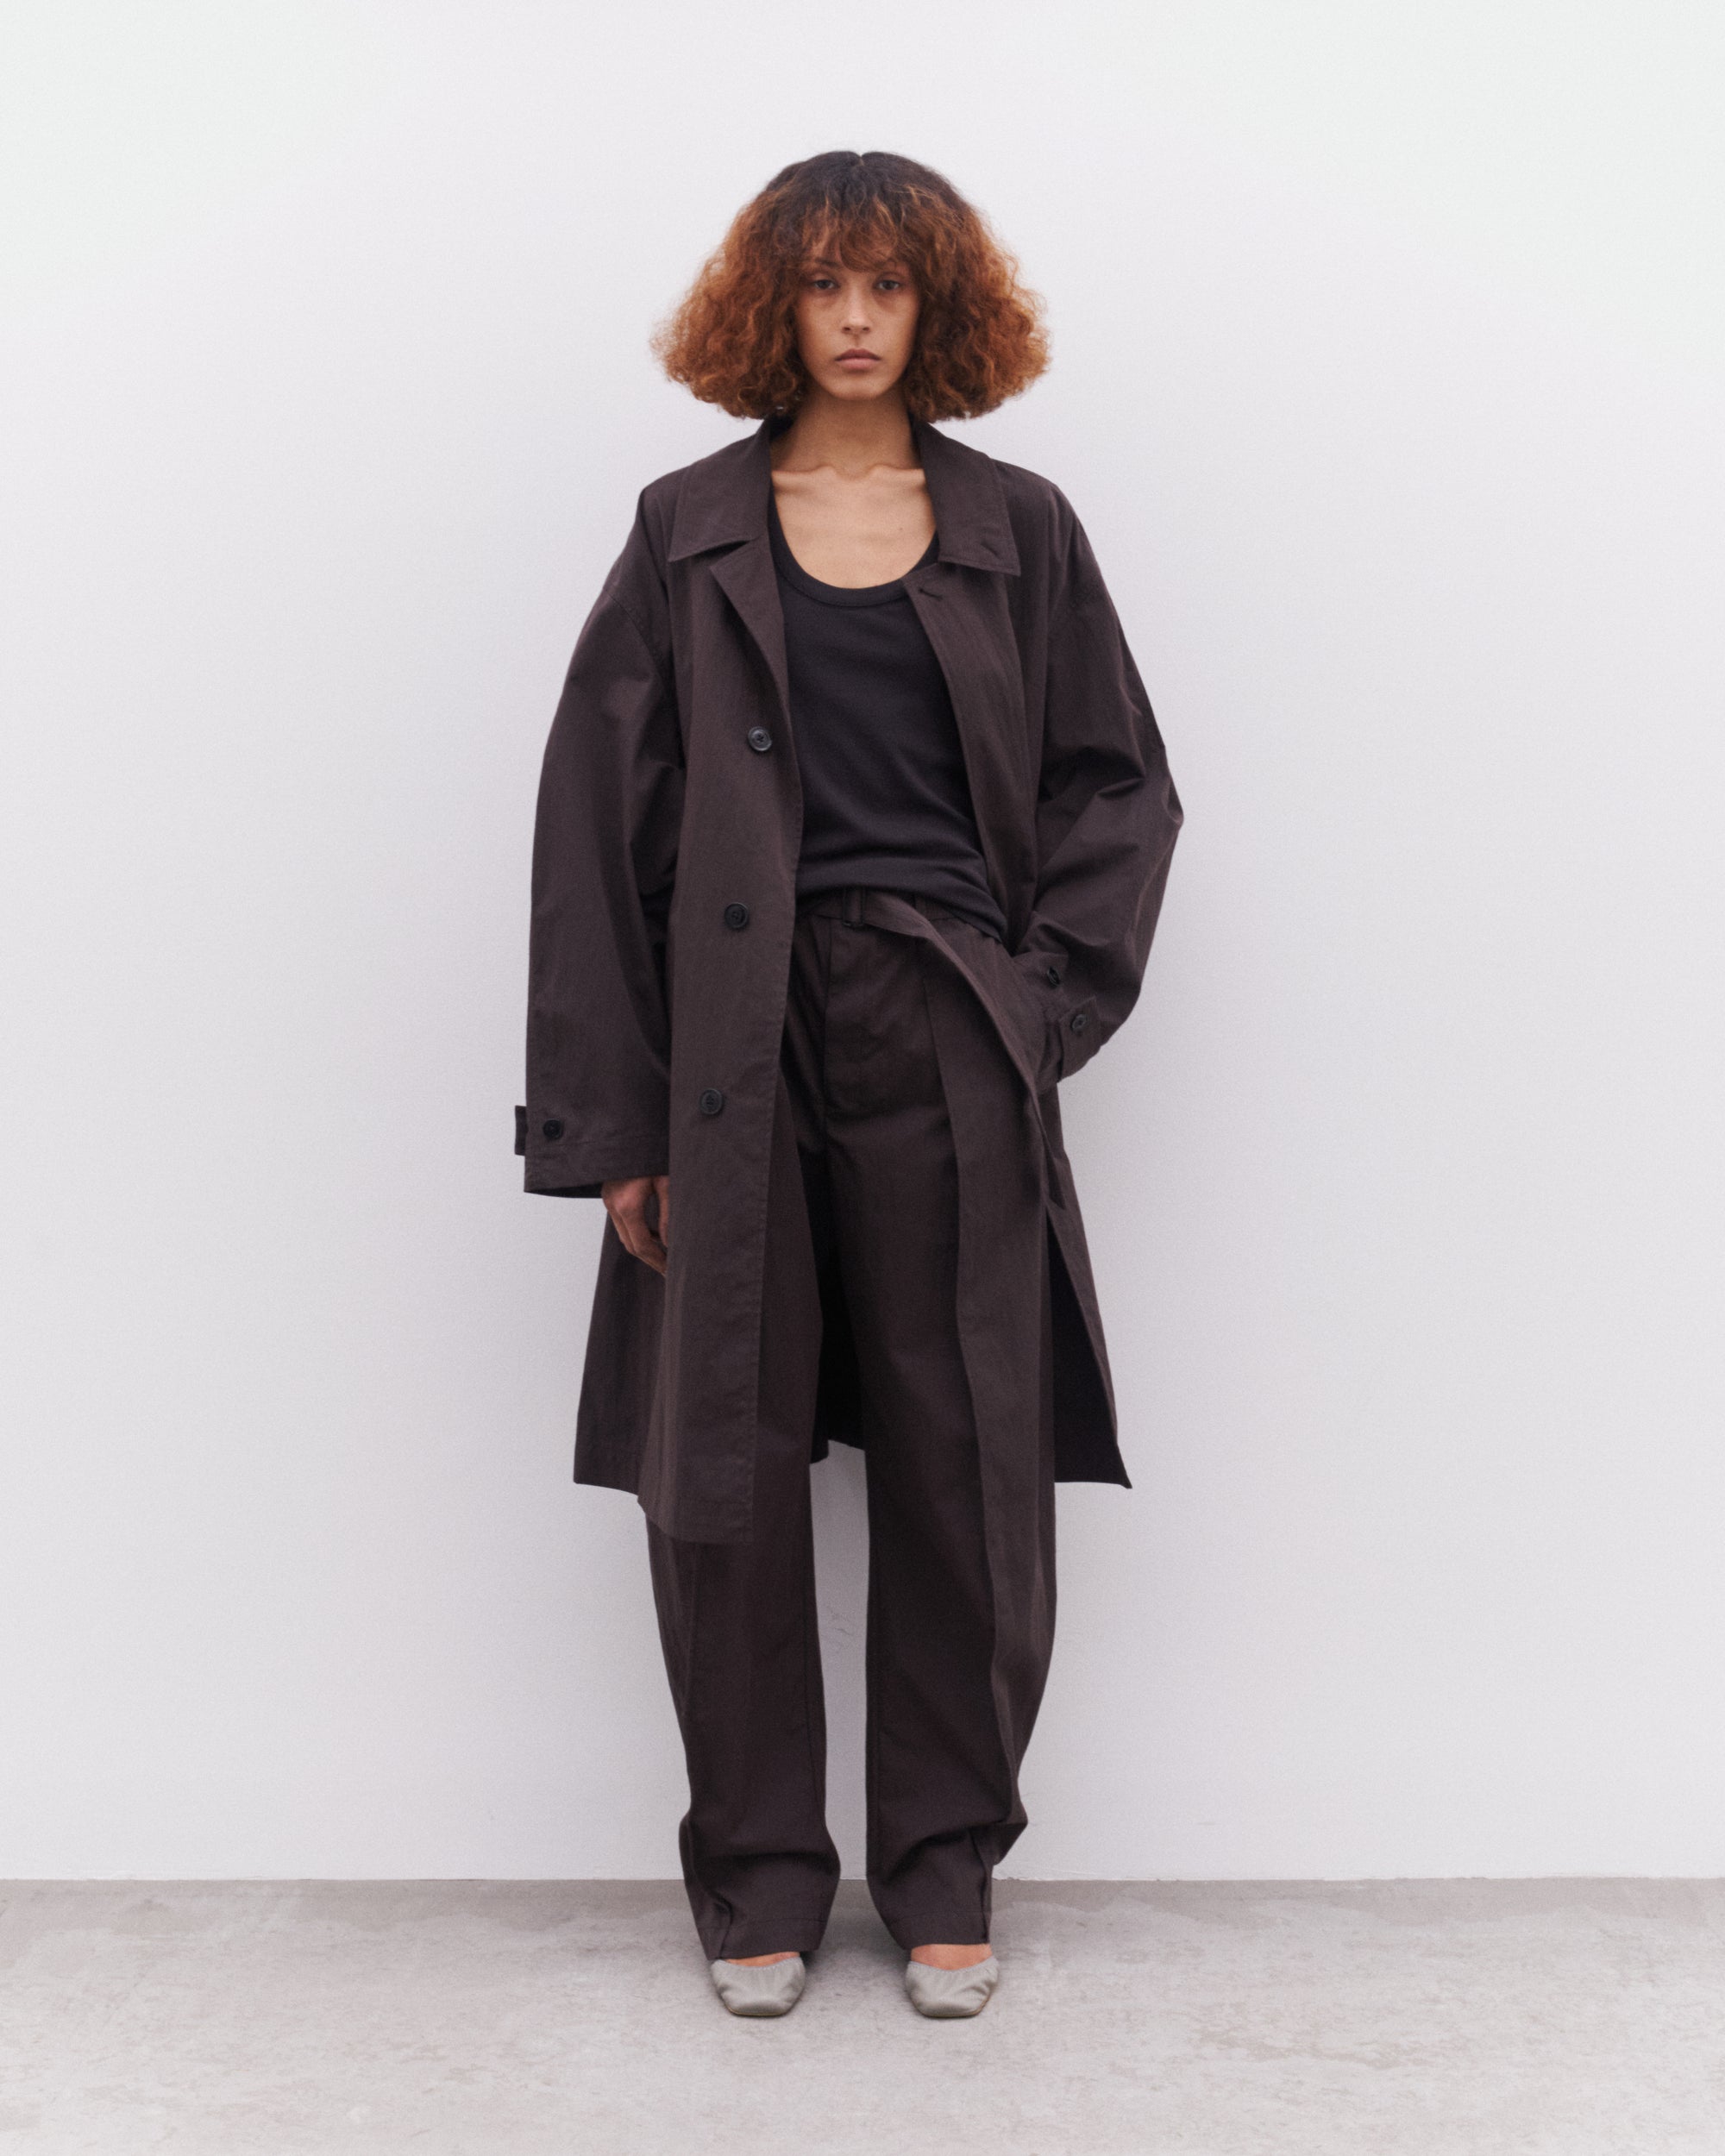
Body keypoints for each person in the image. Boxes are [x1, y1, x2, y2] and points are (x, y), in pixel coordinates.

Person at [519, 149, 1182, 2019]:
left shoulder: (1019, 528)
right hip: (732, 1039)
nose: (859, 318)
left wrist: (1032, 1006)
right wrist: (616, 1121)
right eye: (825, 284)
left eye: (891, 283)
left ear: (941, 305)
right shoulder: (686, 529)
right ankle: (757, 1873)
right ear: (774, 306)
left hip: (947, 1018)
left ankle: (945, 1859)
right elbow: (594, 827)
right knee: (718, 1450)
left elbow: (1118, 787)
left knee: (967, 1448)